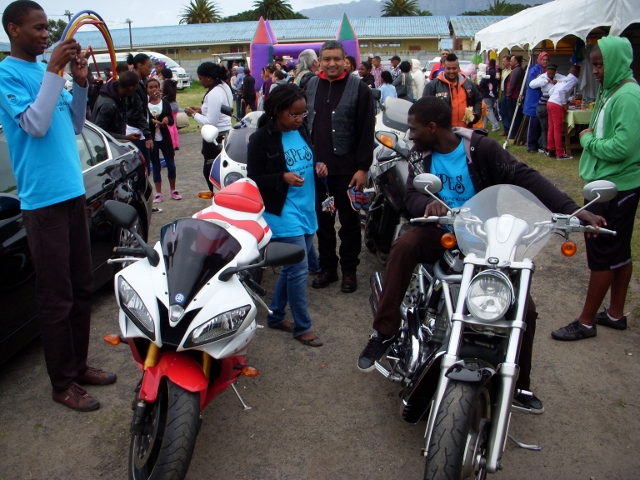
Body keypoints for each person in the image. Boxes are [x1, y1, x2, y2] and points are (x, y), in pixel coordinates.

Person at [356, 97, 605, 413]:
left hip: (485, 235)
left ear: (432, 128)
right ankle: (385, 331)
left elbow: (526, 177)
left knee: (523, 308)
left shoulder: (481, 149)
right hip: (442, 230)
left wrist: (571, 210)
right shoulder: (420, 153)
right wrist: (427, 205)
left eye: (414, 129)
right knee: (404, 246)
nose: (411, 135)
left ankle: (519, 384)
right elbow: (412, 194)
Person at [0, 0, 117, 412]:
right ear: (13, 29)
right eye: (36, 27)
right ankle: (62, 382)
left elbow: (73, 124)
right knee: (56, 298)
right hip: (43, 202)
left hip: (72, 194)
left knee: (82, 288)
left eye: (47, 26)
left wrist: (80, 84)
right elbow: (35, 125)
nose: (45, 34)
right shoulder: (7, 74)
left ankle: (79, 366)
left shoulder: (47, 73)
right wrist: (54, 71)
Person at [551, 36, 640, 341]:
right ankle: (615, 314)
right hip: (611, 184)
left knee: (602, 252)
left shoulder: (628, 96)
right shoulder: (613, 90)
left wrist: (587, 140)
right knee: (619, 250)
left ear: (617, 62)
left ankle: (586, 322)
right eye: (594, 64)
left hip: (615, 187)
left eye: (601, 64)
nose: (597, 71)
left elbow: (622, 147)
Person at [247, 83, 328, 347]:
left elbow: (307, 159)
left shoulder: (301, 130)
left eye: (303, 113)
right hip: (282, 212)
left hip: (306, 207)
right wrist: (281, 177)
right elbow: (254, 178)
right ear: (278, 111)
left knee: (291, 268)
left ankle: (276, 316)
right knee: (299, 269)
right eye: (294, 114)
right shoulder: (261, 139)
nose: (299, 119)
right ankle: (303, 327)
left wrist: (318, 165)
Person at [304, 40, 375, 293]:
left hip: (348, 171)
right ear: (319, 62)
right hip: (318, 172)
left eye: (337, 58)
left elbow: (367, 131)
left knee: (349, 223)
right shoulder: (311, 85)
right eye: (327, 59)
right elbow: (304, 125)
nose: (332, 63)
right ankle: (328, 268)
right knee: (323, 223)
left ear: (345, 60)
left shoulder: (360, 89)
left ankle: (349, 271)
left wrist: (362, 168)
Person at [184, 62, 233, 197]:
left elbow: (211, 122)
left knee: (210, 170)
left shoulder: (214, 93)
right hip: (227, 133)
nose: (200, 81)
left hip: (215, 136)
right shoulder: (224, 86)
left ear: (208, 78)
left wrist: (193, 114)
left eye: (200, 78)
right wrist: (201, 110)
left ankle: (217, 195)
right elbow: (218, 110)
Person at [422, 53, 482, 128]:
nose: (451, 71)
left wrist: (475, 114)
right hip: (443, 131)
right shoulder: (433, 86)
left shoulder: (468, 84)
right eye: (448, 68)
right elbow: (424, 107)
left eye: (454, 68)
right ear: (444, 67)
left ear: (458, 68)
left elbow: (477, 100)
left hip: (465, 130)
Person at [147, 77, 180, 202]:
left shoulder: (165, 102)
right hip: (152, 139)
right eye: (151, 87)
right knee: (156, 166)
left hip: (165, 138)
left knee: (171, 164)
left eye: (156, 86)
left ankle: (173, 190)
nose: (154, 89)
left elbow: (171, 120)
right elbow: (143, 121)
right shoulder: (145, 105)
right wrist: (152, 122)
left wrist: (167, 119)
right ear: (147, 90)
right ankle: (159, 193)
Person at [90, 70, 139, 141]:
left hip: (114, 142)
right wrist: (125, 137)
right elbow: (100, 131)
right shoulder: (109, 105)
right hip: (105, 144)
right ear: (130, 88)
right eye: (135, 88)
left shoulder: (119, 96)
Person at [545, 65, 580, 160]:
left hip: (550, 102)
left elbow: (551, 91)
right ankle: (560, 154)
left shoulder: (563, 79)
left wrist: (562, 99)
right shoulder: (573, 80)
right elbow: (562, 91)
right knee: (558, 129)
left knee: (551, 128)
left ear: (569, 71)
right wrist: (564, 103)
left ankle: (551, 150)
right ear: (578, 73)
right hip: (557, 104)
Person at [126, 52, 153, 168]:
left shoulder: (141, 83)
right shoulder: (135, 84)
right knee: (143, 167)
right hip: (136, 131)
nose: (150, 70)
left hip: (139, 129)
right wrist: (147, 135)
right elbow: (138, 111)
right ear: (140, 66)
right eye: (149, 67)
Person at [528, 64, 564, 153]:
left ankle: (547, 146)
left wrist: (558, 82)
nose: (551, 75)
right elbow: (531, 84)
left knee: (550, 127)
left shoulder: (558, 77)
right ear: (546, 71)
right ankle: (545, 147)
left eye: (552, 74)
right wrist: (545, 81)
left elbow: (568, 81)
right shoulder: (543, 77)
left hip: (553, 104)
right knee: (545, 128)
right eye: (549, 73)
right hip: (543, 105)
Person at [524, 52, 549, 152]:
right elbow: (531, 84)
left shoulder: (547, 70)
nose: (545, 61)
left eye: (547, 60)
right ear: (539, 59)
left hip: (542, 101)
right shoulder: (534, 70)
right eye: (543, 59)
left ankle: (539, 145)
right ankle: (531, 146)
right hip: (534, 100)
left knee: (540, 125)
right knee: (533, 125)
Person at [504, 55, 525, 139]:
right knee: (515, 116)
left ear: (516, 61)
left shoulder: (516, 70)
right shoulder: (517, 70)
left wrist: (508, 94)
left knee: (513, 116)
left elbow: (512, 84)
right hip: (514, 95)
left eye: (511, 61)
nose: (510, 62)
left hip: (513, 96)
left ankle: (513, 133)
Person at [478, 59, 501, 131]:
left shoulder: (489, 72)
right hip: (494, 92)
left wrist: (480, 85)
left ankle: (495, 125)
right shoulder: (496, 72)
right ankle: (484, 126)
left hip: (487, 93)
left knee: (487, 109)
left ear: (489, 64)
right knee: (486, 110)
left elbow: (483, 82)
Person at [161, 68, 180, 150]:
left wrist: (165, 98)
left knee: (170, 125)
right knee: (174, 126)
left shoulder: (166, 82)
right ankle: (176, 144)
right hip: (175, 104)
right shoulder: (173, 82)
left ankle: (171, 144)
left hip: (169, 105)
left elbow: (170, 93)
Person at [498, 55, 512, 136]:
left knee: (508, 112)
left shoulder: (512, 71)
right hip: (502, 92)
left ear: (509, 62)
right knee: (503, 111)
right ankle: (506, 128)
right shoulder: (503, 71)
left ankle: (509, 129)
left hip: (508, 94)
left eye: (504, 61)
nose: (503, 63)